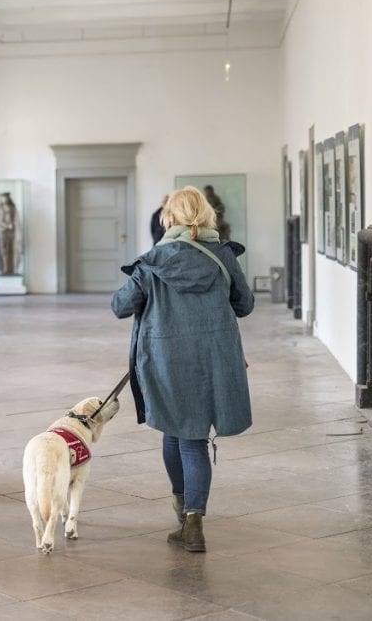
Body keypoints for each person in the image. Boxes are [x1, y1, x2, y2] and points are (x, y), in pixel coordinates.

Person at [110, 186, 253, 553]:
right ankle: (188, 511)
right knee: (188, 435)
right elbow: (245, 304)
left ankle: (189, 517)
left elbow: (120, 306)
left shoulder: (153, 261)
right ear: (206, 216)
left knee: (179, 434)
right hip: (212, 358)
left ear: (169, 218)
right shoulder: (222, 256)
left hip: (164, 359)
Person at [0, 192, 20, 275]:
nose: (4, 199)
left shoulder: (12, 208)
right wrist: (6, 225)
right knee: (4, 250)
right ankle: (5, 268)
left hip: (11, 232)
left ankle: (11, 268)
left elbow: (16, 219)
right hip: (3, 232)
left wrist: (13, 225)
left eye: (5, 197)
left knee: (11, 250)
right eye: (2, 198)